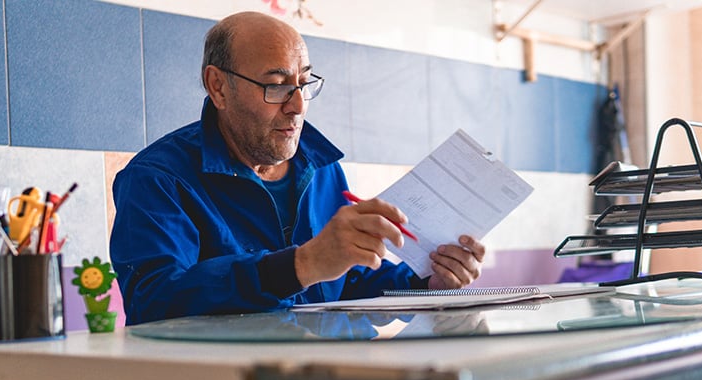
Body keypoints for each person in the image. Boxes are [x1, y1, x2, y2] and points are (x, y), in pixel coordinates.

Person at [110, 11, 485, 325]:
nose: (298, 106)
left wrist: (428, 281)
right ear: (218, 86)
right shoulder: (158, 179)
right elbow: (154, 304)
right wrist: (300, 265)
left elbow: (349, 283)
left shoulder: (321, 168)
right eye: (275, 86)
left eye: (303, 83)